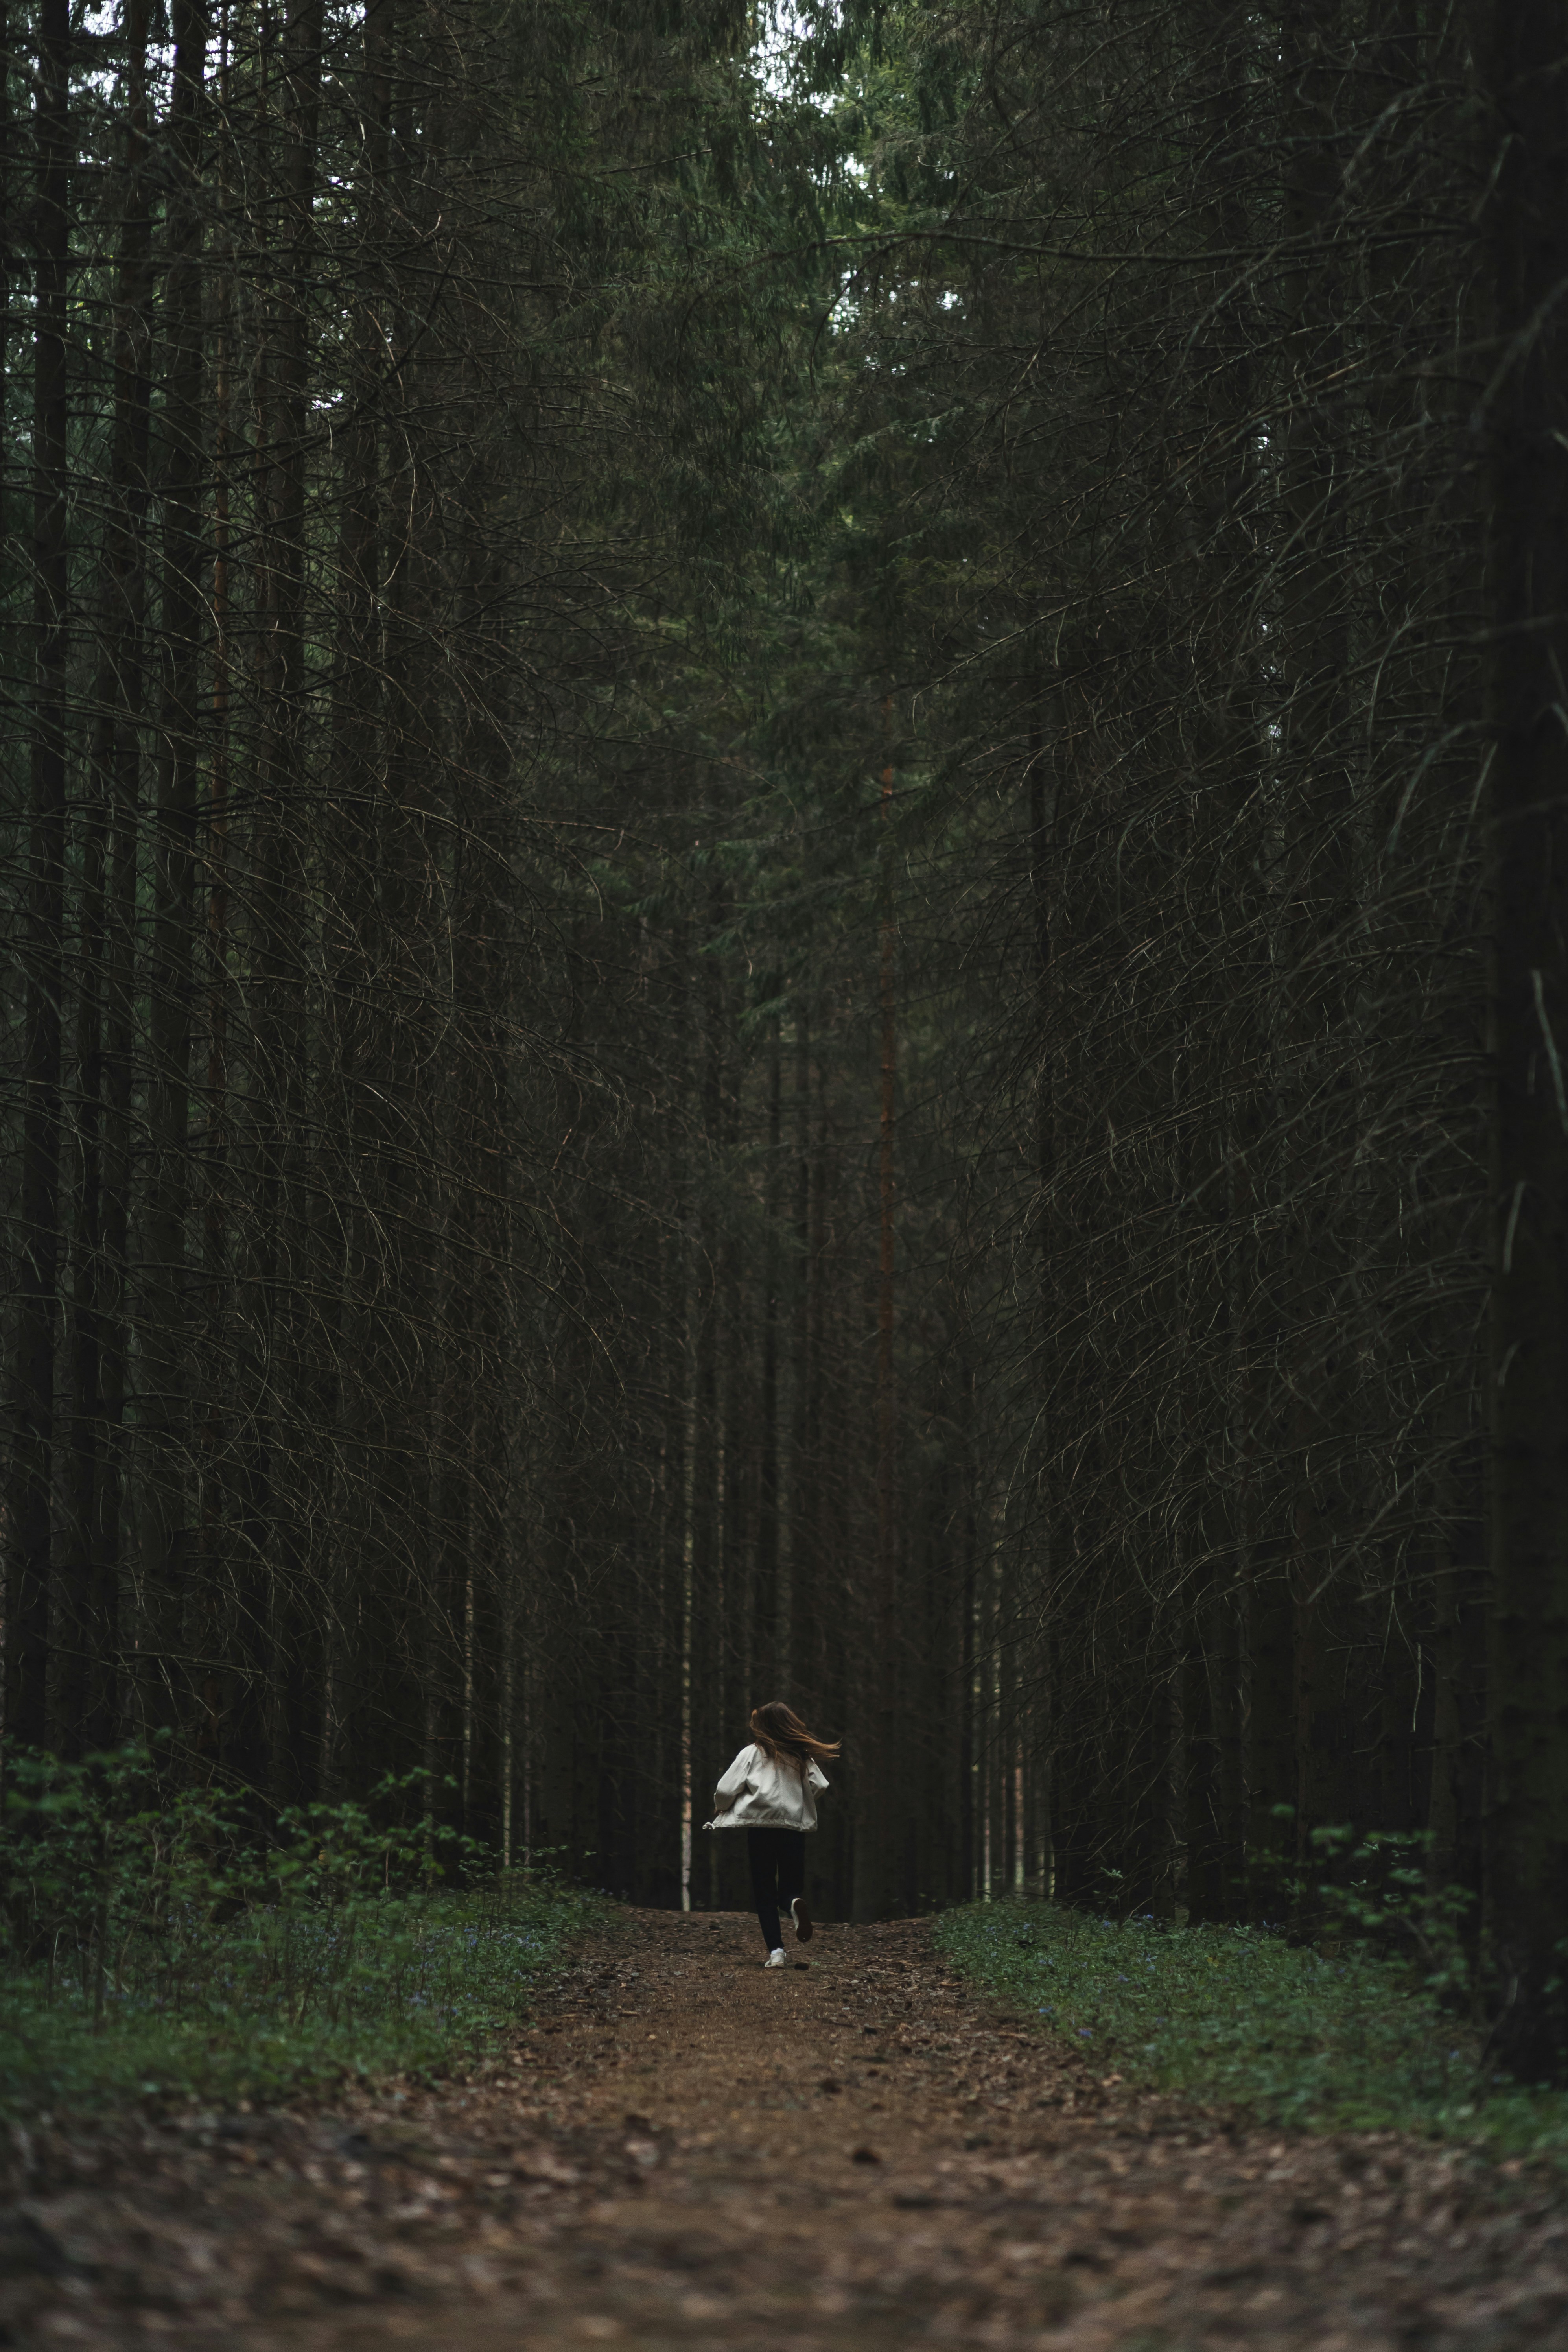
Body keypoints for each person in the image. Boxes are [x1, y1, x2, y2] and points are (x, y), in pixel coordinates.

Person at [705, 1701, 840, 1967]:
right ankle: (792, 1903)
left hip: (760, 1829)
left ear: (763, 1726)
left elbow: (725, 1788)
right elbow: (821, 1784)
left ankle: (777, 1953)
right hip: (792, 1828)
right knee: (790, 1886)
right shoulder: (800, 1755)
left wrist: (721, 1807)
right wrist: (800, 1801)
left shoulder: (752, 1753)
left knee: (764, 1890)